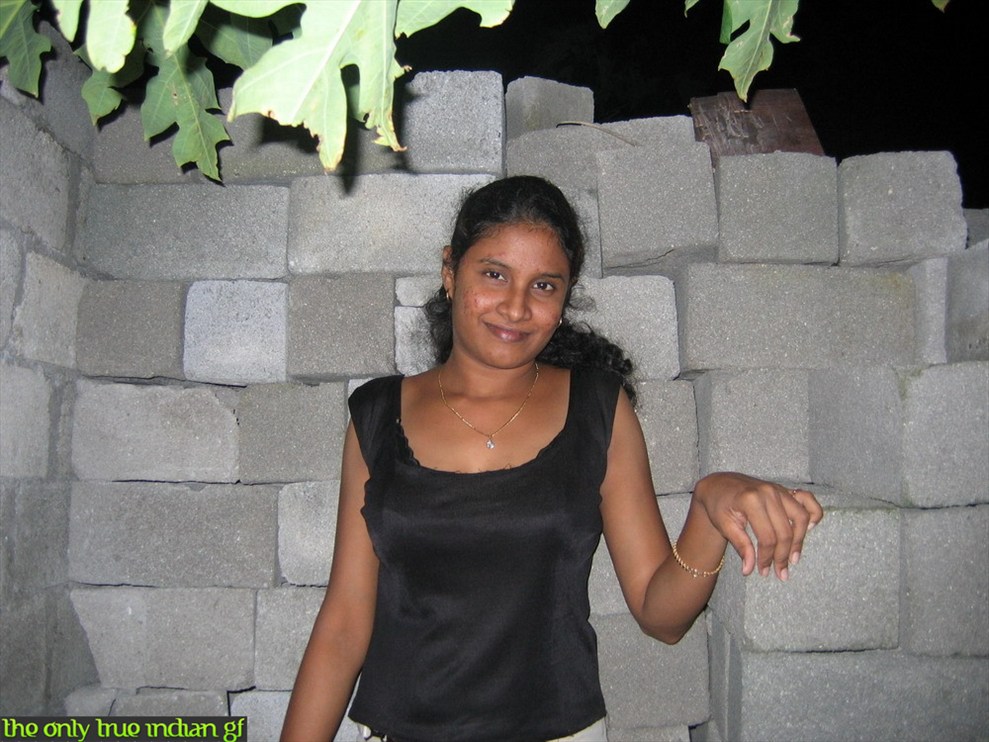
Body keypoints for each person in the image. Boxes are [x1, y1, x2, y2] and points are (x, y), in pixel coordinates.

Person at [280, 175, 824, 742]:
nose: (516, 307)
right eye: (494, 275)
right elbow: (343, 625)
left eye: (543, 286)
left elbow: (661, 617)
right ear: (450, 271)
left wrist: (709, 507)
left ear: (563, 300)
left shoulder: (597, 408)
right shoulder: (376, 415)